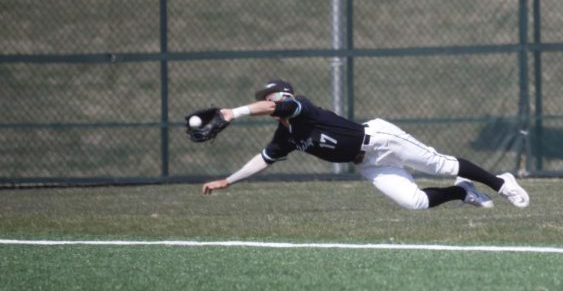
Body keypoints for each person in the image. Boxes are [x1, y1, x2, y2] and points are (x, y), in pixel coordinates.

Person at [201, 79, 530, 211]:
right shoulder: (285, 136)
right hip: (369, 164)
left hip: (381, 141)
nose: (267, 100)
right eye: (265, 98)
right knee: (414, 203)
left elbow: (277, 106)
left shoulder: (300, 106)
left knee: (441, 164)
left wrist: (234, 112)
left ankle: (503, 183)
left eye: (270, 96)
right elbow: (263, 159)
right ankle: (461, 192)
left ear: (284, 95)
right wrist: (227, 181)